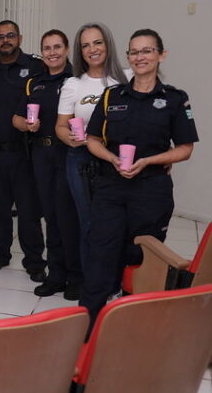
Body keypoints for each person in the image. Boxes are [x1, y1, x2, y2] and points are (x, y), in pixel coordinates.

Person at [81, 28, 197, 323]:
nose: (140, 57)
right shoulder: (112, 96)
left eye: (147, 51)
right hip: (110, 188)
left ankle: (136, 323)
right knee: (101, 256)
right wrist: (112, 158)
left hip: (151, 190)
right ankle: (87, 326)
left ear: (161, 55)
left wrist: (148, 161)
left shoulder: (175, 100)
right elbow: (93, 139)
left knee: (143, 259)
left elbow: (184, 148)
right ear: (128, 58)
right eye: (134, 52)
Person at [0, 20, 47, 282]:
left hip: (25, 152)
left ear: (20, 37)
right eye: (0, 37)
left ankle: (35, 260)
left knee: (28, 210)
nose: (5, 40)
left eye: (10, 35)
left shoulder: (36, 66)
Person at [12, 30, 82, 300]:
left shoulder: (78, 81)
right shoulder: (34, 82)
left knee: (70, 218)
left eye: (57, 47)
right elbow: (16, 119)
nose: (52, 52)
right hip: (41, 156)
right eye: (47, 48)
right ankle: (56, 275)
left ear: (66, 50)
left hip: (70, 154)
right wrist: (27, 125)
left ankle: (76, 277)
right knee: (51, 217)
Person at [55, 22, 129, 272]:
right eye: (85, 45)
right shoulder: (74, 84)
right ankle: (94, 285)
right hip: (82, 160)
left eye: (97, 42)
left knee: (118, 222)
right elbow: (61, 127)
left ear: (108, 44)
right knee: (90, 222)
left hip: (119, 160)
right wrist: (71, 139)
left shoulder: (126, 78)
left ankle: (118, 283)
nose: (92, 49)